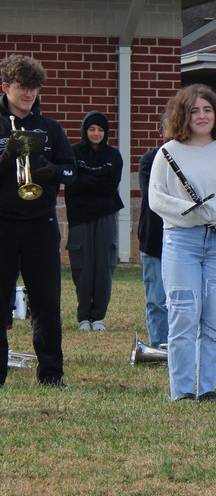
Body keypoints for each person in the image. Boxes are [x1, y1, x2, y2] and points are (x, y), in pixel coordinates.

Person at [148, 84, 216, 402]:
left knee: (213, 318)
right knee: (183, 312)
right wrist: (190, 213)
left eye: (207, 109)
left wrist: (213, 211)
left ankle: (206, 388)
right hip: (181, 239)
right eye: (194, 110)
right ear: (183, 115)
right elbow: (156, 199)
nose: (202, 115)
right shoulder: (168, 153)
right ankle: (181, 390)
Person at [0, 54, 76, 387]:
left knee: (46, 302)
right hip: (2, 223)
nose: (28, 94)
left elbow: (73, 172)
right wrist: (6, 158)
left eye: (33, 88)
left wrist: (53, 171)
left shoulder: (51, 128)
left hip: (41, 223)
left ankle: (51, 374)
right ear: (5, 87)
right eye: (21, 87)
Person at [64, 110, 123, 331]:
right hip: (79, 217)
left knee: (103, 266)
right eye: (92, 129)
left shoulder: (113, 156)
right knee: (83, 267)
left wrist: (85, 180)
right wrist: (94, 182)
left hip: (106, 215)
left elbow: (110, 188)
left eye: (100, 129)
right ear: (85, 131)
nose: (96, 133)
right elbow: (72, 184)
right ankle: (83, 318)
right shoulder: (73, 153)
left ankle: (98, 317)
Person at [137, 114, 168, 349]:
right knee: (157, 299)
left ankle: (179, 344)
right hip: (154, 238)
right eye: (168, 129)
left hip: (185, 241)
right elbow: (154, 197)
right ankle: (158, 346)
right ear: (160, 133)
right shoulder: (149, 159)